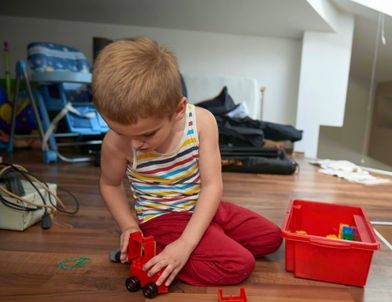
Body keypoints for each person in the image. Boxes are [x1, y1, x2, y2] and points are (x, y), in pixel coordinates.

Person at [92, 37, 282, 287]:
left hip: (206, 206)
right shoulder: (116, 144)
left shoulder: (202, 122)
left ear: (178, 109)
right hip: (163, 219)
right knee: (239, 265)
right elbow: (110, 184)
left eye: (147, 134)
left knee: (272, 238)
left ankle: (204, 240)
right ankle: (153, 256)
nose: (134, 143)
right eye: (121, 132)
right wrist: (129, 227)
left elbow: (211, 186)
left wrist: (187, 243)